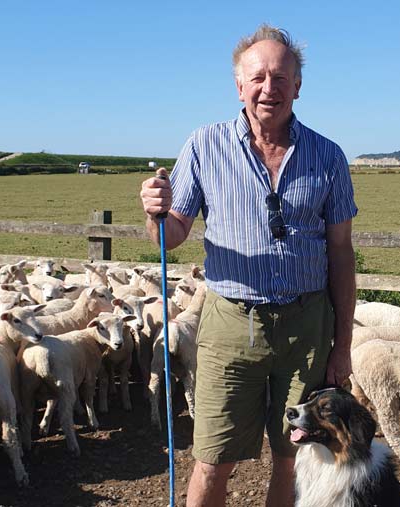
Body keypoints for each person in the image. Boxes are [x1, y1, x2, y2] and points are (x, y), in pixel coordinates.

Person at [139, 24, 356, 507]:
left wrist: (342, 346)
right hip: (230, 324)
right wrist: (155, 208)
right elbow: (171, 234)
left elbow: (340, 251)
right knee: (213, 457)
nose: (269, 88)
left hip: (306, 327)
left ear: (298, 86)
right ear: (239, 86)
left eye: (281, 78)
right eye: (257, 77)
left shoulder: (328, 156)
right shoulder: (204, 145)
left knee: (293, 456)